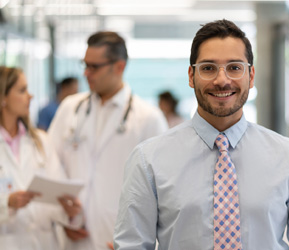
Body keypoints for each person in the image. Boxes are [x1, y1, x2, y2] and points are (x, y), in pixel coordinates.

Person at [113, 19, 289, 250]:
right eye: (209, 68)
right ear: (191, 76)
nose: (222, 80)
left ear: (250, 77)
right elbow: (132, 245)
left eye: (234, 67)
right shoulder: (148, 160)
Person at [48, 31, 168, 250]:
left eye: (94, 66)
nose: (86, 73)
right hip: (72, 235)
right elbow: (50, 164)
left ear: (119, 67)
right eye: (84, 65)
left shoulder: (147, 118)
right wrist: (62, 215)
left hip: (121, 239)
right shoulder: (70, 109)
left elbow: (161, 191)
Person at [0, 66, 83, 249]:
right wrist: (7, 203)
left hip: (44, 242)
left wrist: (69, 212)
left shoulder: (41, 141)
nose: (30, 96)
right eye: (22, 90)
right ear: (3, 98)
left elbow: (57, 190)